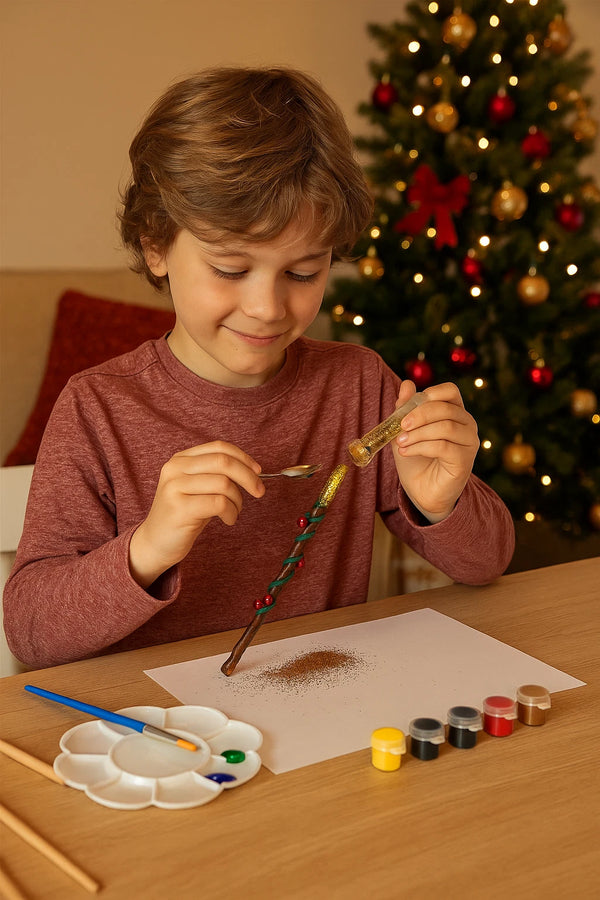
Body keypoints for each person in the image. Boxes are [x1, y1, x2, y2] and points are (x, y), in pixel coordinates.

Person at [3, 67, 514, 669]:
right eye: (229, 268)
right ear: (156, 245)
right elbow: (31, 633)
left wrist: (443, 503)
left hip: (317, 711)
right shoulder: (97, 408)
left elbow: (488, 563)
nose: (268, 308)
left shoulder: (358, 388)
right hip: (153, 740)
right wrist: (148, 547)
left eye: (303, 273)